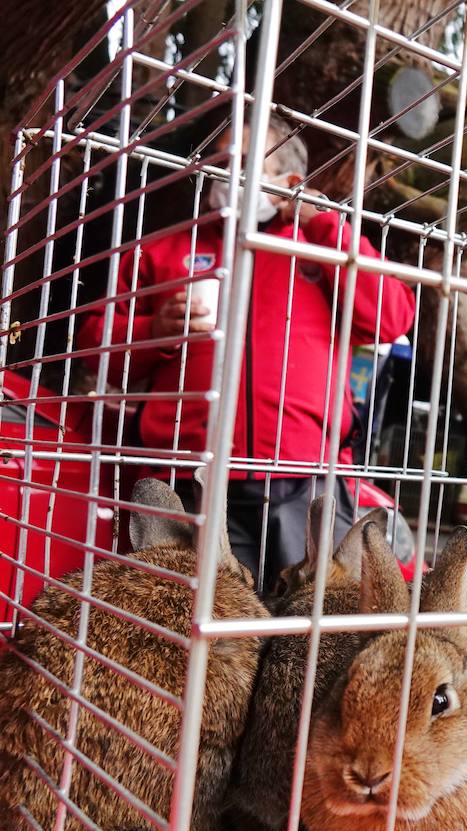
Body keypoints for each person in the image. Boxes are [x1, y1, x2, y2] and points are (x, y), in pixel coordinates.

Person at [78, 113, 417, 592]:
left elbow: (392, 317)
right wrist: (152, 329)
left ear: (289, 183)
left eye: (242, 163)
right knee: (178, 629)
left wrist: (326, 228)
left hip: (305, 481)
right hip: (185, 478)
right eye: (218, 162)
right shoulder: (164, 250)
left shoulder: (324, 249)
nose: (224, 174)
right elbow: (96, 347)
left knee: (304, 635)